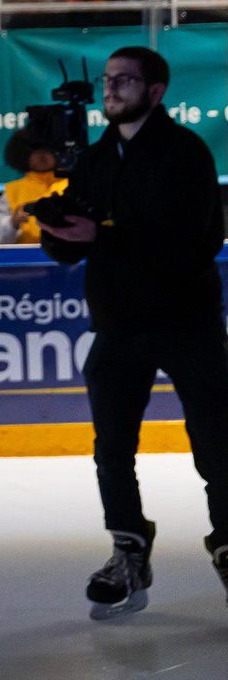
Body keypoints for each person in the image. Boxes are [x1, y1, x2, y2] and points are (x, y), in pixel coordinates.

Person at [40, 47, 228, 619]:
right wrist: (57, 230)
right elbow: (74, 246)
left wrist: (101, 237)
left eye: (125, 80)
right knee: (112, 451)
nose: (111, 89)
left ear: (156, 91)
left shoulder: (184, 154)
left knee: (219, 447)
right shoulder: (96, 159)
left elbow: (197, 242)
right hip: (119, 325)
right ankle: (128, 549)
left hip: (186, 323)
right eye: (108, 79)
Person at [0, 130, 67, 245]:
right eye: (35, 151)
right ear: (22, 155)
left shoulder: (74, 183)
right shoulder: (13, 191)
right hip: (27, 259)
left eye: (47, 149)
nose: (43, 155)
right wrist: (13, 222)